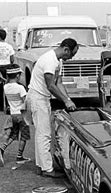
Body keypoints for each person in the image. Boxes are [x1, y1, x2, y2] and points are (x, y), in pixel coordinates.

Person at [26, 38, 78, 178]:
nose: (71, 58)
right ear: (66, 49)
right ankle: (47, 169)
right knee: (44, 134)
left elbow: (58, 82)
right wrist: (65, 101)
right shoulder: (49, 60)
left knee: (42, 133)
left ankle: (41, 165)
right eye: (71, 55)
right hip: (38, 97)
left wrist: (68, 99)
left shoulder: (58, 60)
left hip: (43, 98)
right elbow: (51, 85)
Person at [0, 64, 30, 166]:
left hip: (13, 115)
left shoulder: (6, 87)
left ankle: (3, 147)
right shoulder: (20, 88)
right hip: (21, 115)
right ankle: (19, 156)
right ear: (17, 76)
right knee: (24, 136)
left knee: (14, 134)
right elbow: (26, 102)